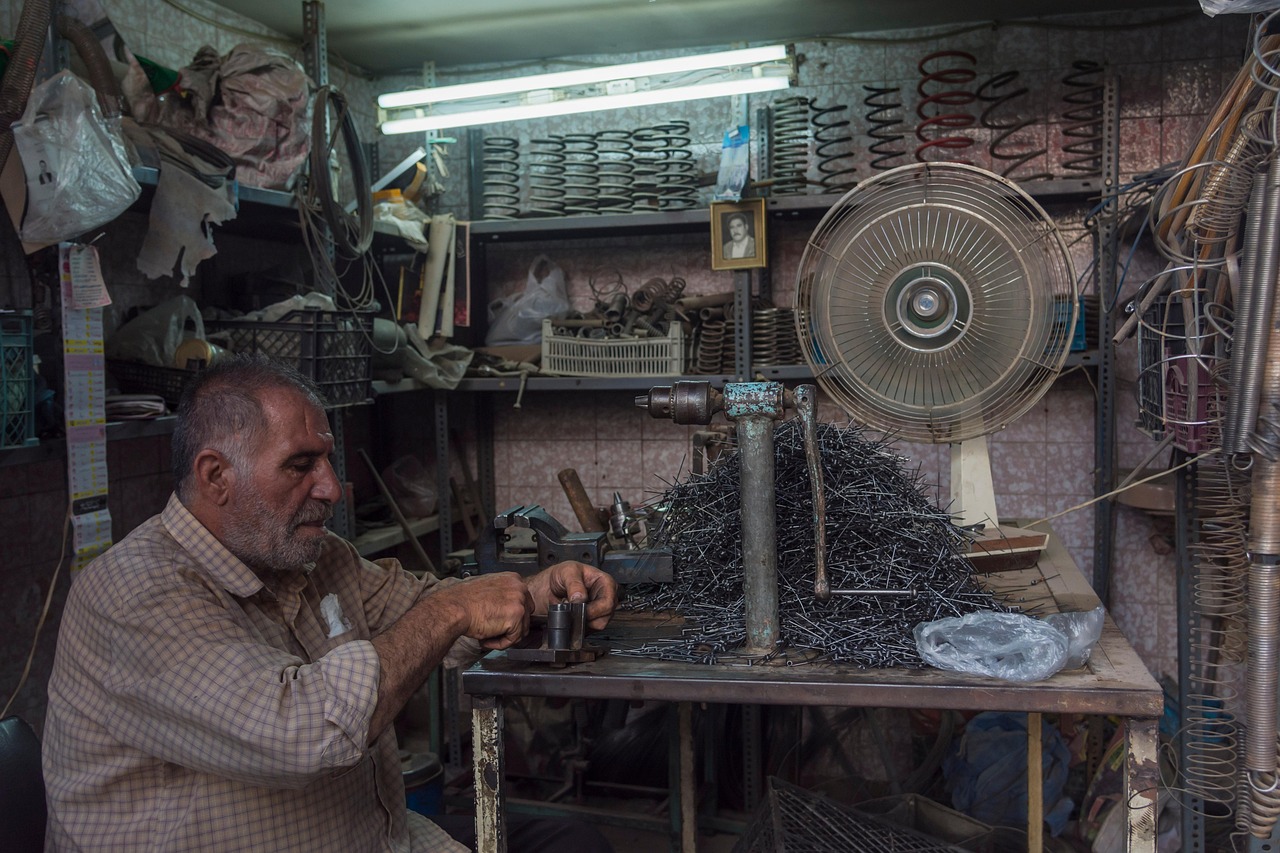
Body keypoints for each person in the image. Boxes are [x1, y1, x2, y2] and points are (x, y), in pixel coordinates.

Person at [43, 354, 618, 852]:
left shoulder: (313, 558)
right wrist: (452, 610)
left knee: (575, 841)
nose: (331, 487)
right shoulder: (136, 593)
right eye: (300, 466)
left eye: (326, 461)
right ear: (216, 475)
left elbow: (418, 607)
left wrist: (536, 595)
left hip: (369, 835)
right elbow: (301, 730)